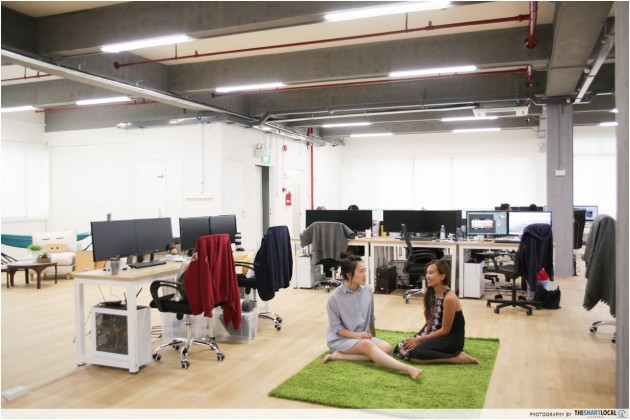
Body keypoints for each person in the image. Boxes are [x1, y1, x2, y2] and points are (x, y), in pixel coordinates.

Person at [323, 255, 422, 381]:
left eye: (365, 270)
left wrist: (374, 338)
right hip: (341, 339)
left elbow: (370, 317)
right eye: (361, 271)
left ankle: (341, 356)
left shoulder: (368, 290)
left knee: (387, 348)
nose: (365, 275)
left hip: (362, 338)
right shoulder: (334, 298)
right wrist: (358, 336)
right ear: (349, 275)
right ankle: (406, 369)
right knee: (367, 345)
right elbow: (337, 329)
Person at [394, 259, 480, 364]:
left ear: (442, 276)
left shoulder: (449, 298)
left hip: (449, 339)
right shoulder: (431, 292)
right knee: (400, 347)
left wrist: (420, 339)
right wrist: (420, 338)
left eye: (431, 273)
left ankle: (457, 358)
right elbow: (430, 322)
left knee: (415, 355)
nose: (427, 276)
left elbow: (445, 330)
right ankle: (433, 350)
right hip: (435, 333)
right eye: (427, 273)